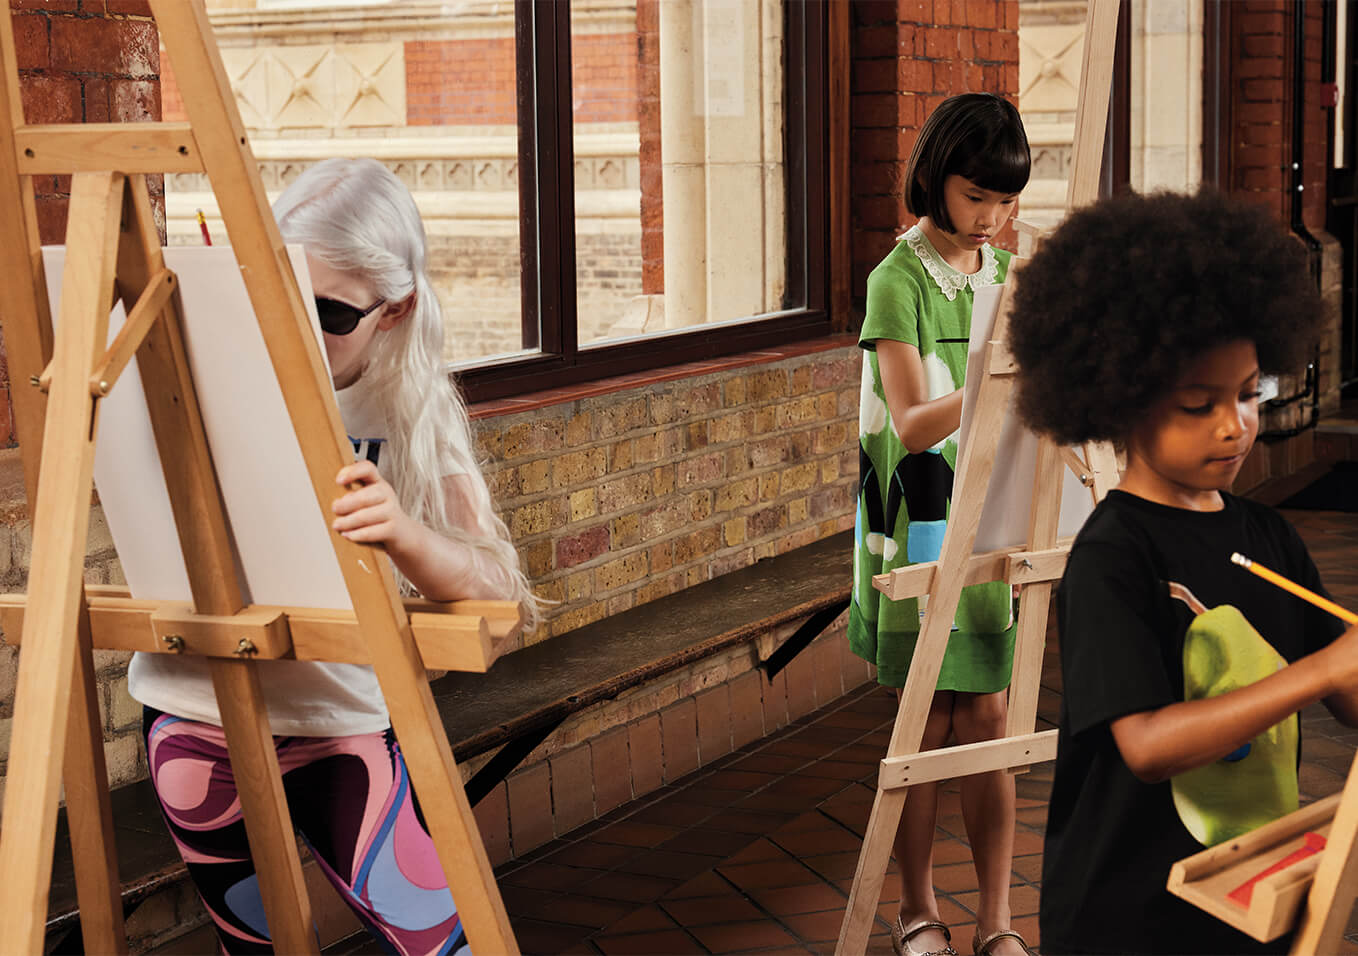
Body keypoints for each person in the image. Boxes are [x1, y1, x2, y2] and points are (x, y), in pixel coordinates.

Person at [128, 158, 539, 955]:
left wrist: (403, 533)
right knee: (255, 944)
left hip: (332, 719)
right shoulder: (208, 374)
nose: (304, 329)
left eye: (333, 312)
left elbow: (502, 597)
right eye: (282, 298)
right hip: (192, 709)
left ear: (396, 310)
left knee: (443, 942)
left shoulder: (408, 405)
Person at [1007, 189, 1358, 954]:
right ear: (1122, 400)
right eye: (1199, 403)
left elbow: (1349, 688)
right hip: (1129, 916)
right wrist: (1322, 671)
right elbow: (1149, 746)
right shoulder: (1111, 555)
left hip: (1244, 894)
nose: (1234, 425)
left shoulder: (1267, 533)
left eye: (1247, 394)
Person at [850, 92, 1033, 956]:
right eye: (975, 198)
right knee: (924, 718)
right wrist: (1002, 374)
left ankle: (999, 917)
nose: (991, 219)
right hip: (920, 520)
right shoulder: (898, 279)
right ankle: (916, 909)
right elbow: (915, 423)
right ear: (934, 179)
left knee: (990, 719)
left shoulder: (1002, 275)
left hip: (991, 514)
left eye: (1005, 201)